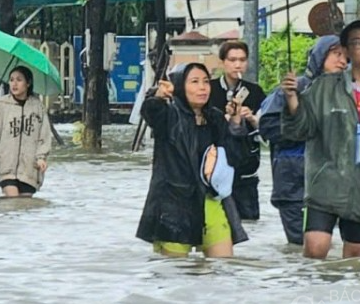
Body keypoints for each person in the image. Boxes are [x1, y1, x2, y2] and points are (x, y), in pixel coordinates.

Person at [282, 20, 360, 260]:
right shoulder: (324, 88)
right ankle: (315, 297)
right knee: (315, 249)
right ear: (348, 51)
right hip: (325, 185)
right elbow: (299, 130)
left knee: (356, 259)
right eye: (358, 43)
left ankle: (349, 299)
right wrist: (291, 99)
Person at [137, 63, 248, 257]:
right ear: (180, 86)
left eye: (206, 81)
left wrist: (236, 123)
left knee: (224, 266)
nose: (202, 87)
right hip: (174, 204)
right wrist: (158, 95)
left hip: (212, 199)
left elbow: (236, 157)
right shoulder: (170, 115)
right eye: (194, 82)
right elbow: (150, 111)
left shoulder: (215, 118)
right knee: (175, 271)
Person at [257, 36, 346, 245]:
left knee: (328, 248)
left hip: (331, 186)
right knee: (301, 247)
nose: (343, 61)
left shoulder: (344, 94)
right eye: (337, 54)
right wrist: (303, 128)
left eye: (347, 57)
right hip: (293, 184)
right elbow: (267, 128)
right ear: (320, 56)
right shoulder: (291, 90)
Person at [208, 41, 266, 221]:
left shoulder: (255, 91)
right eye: (232, 60)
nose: (237, 64)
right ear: (222, 62)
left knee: (249, 222)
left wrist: (250, 118)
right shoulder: (209, 90)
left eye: (242, 60)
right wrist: (224, 118)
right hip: (215, 167)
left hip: (246, 168)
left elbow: (265, 130)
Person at [0, 66, 51, 197]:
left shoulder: (37, 106)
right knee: (12, 199)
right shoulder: (2, 104)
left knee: (25, 205)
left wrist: (41, 157)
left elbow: (44, 135)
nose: (14, 84)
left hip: (30, 168)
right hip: (6, 166)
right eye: (11, 80)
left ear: (28, 83)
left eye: (19, 80)